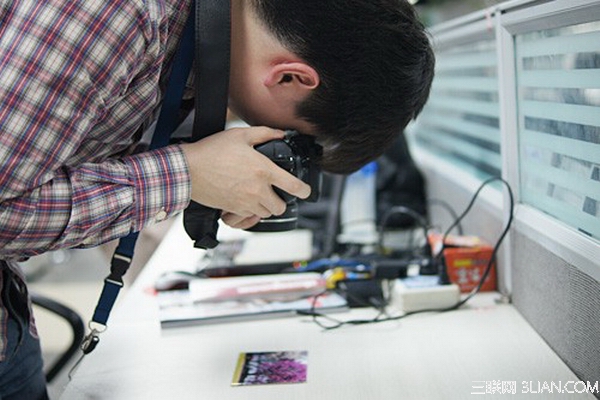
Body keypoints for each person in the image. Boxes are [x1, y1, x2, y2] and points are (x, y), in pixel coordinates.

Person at [0, 0, 434, 397]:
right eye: (295, 140)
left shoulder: (187, 42)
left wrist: (208, 183)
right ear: (291, 77)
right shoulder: (116, 12)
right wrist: (185, 176)